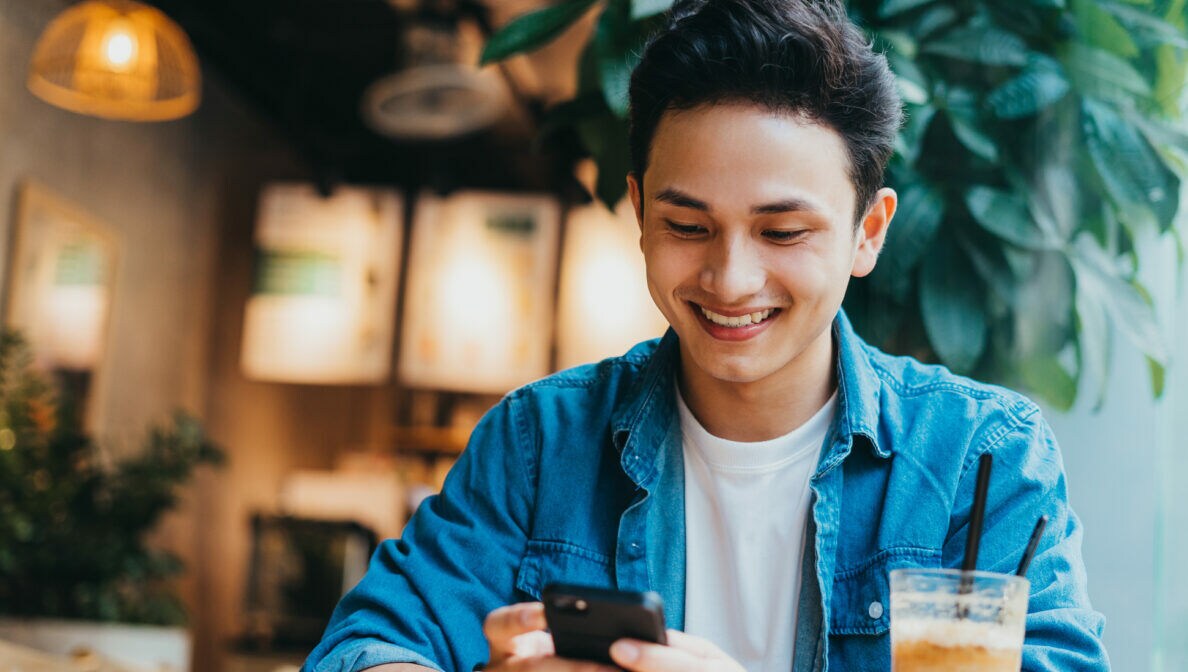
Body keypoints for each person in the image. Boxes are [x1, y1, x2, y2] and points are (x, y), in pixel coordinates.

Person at [304, 0, 1109, 670]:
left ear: (869, 231)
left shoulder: (985, 457)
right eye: (688, 225)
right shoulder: (540, 442)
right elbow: (364, 646)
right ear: (639, 214)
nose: (730, 280)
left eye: (783, 232)